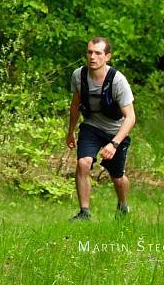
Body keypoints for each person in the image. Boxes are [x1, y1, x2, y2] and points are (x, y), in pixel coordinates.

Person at [66, 37, 136, 220]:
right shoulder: (78, 76)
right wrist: (71, 131)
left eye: (98, 53)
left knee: (117, 177)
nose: (92, 57)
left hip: (116, 131)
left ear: (107, 57)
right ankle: (84, 212)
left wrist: (114, 144)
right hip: (91, 127)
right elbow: (75, 105)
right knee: (83, 163)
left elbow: (130, 117)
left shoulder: (118, 81)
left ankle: (122, 206)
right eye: (90, 52)